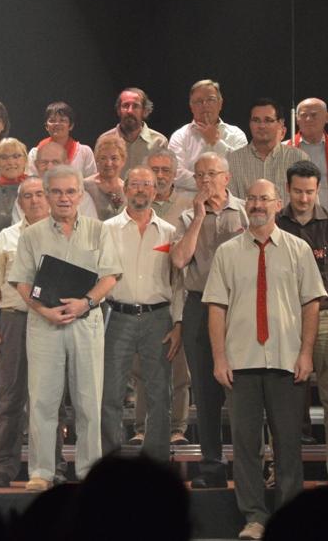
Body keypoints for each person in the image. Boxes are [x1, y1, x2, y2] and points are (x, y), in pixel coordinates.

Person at [203, 178, 326, 540]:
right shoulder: (227, 252)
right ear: (246, 204)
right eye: (252, 199)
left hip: (286, 361)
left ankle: (288, 517)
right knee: (245, 447)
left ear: (277, 203)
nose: (257, 204)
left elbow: (311, 304)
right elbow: (216, 308)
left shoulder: (298, 249)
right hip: (240, 363)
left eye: (264, 199)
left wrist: (306, 353)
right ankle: (254, 517)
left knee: (288, 444)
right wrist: (219, 358)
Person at [9, 164, 121, 490]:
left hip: (86, 323)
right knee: (42, 401)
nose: (64, 198)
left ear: (81, 194)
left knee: (89, 402)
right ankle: (41, 472)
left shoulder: (99, 231)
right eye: (56, 192)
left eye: (70, 191)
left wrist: (85, 302)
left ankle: (89, 471)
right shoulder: (31, 235)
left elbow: (110, 276)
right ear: (46, 195)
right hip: (44, 325)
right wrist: (45, 311)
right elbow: (22, 282)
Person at [275, 160, 328, 486]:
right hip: (287, 318)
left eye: (309, 192)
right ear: (287, 189)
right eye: (298, 191)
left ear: (318, 189)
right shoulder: (276, 222)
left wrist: (327, 299)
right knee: (285, 398)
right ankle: (283, 469)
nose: (304, 198)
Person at [170, 151, 248, 488]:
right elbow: (179, 260)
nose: (205, 181)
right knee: (204, 390)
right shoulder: (187, 216)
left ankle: (248, 468)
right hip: (200, 305)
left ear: (226, 177)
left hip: (239, 306)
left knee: (244, 390)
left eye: (211, 174)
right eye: (199, 175)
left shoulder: (246, 211)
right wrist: (199, 218)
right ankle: (212, 467)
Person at [100, 166, 177, 461]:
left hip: (158, 317)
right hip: (116, 316)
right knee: (110, 394)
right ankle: (109, 461)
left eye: (147, 184)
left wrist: (178, 322)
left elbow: (178, 282)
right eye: (135, 184)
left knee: (159, 395)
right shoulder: (107, 229)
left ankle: (155, 462)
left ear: (155, 191)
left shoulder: (170, 232)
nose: (141, 190)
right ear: (125, 189)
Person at [0, 176, 50, 487]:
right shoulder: (6, 238)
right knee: (10, 397)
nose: (34, 200)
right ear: (19, 202)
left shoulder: (62, 234)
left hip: (51, 321)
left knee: (48, 399)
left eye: (39, 194)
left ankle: (49, 466)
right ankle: (2, 466)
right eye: (27, 196)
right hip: (13, 320)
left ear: (48, 198)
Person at [133, 147, 193, 446]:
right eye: (153, 170)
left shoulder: (187, 204)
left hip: (177, 292)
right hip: (143, 297)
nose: (159, 176)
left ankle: (178, 427)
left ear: (174, 174)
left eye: (165, 170)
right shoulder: (135, 204)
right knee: (143, 371)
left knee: (179, 370)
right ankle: (142, 427)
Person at [168, 80, 247, 190]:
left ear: (220, 103)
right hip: (189, 198)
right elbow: (175, 174)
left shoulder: (236, 134)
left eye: (210, 100)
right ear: (191, 106)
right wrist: (210, 183)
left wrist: (216, 142)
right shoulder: (179, 136)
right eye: (199, 101)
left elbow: (240, 169)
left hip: (227, 198)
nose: (205, 105)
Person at [226, 98, 309, 202]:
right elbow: (230, 205)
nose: (261, 126)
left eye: (268, 120)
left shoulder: (298, 159)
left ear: (280, 124)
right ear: (249, 124)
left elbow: (309, 203)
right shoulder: (233, 161)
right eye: (256, 120)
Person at [15, 140, 100, 221]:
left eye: (55, 162)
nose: (49, 168)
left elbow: (92, 229)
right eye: (44, 162)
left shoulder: (82, 197)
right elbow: (18, 229)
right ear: (36, 165)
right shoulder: (26, 197)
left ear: (66, 164)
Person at [95, 88, 167, 176]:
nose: (130, 111)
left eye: (135, 106)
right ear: (118, 110)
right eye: (125, 106)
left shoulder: (159, 142)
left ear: (144, 111)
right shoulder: (104, 140)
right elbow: (98, 176)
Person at [27, 101, 97, 178]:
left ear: (71, 126)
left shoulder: (84, 152)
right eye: (52, 121)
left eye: (62, 120)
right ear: (46, 126)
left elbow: (92, 182)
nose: (57, 124)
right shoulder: (35, 153)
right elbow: (31, 181)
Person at [83, 133, 126, 221]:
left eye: (114, 158)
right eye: (103, 158)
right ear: (97, 160)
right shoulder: (85, 186)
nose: (108, 163)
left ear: (123, 161)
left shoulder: (127, 189)